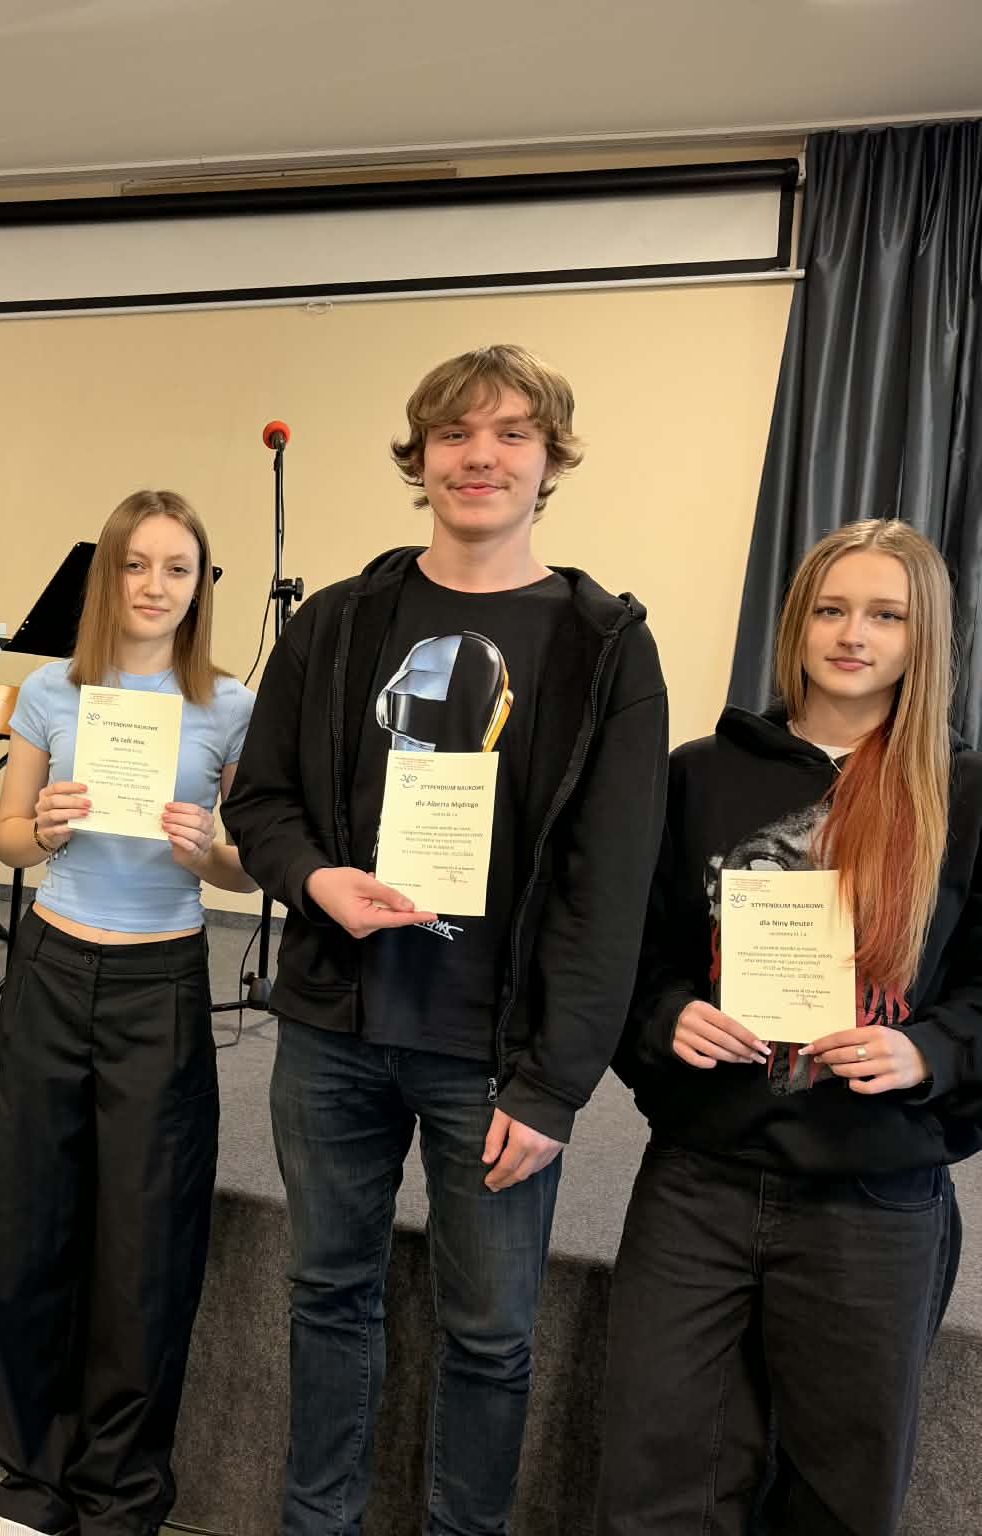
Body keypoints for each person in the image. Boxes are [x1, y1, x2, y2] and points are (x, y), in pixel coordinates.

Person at [221, 344, 668, 1535]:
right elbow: (258, 802)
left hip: (496, 1055)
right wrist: (316, 880)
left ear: (548, 459)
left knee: (489, 1333)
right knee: (326, 1297)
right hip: (335, 1031)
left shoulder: (604, 645)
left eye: (511, 433)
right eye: (454, 434)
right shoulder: (337, 623)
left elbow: (610, 883)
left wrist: (553, 1080)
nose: (480, 456)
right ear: (418, 457)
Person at [598, 519, 982, 1536]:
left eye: (885, 615)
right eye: (832, 610)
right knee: (655, 1484)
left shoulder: (976, 796)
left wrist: (927, 1050)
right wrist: (667, 1015)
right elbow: (628, 957)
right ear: (796, 622)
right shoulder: (700, 776)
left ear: (922, 636)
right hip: (698, 1184)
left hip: (873, 1199)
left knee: (840, 1499)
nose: (853, 635)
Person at [0, 491, 255, 1536]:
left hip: (160, 981)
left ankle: (122, 1494)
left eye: (177, 568)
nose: (154, 586)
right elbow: (7, 837)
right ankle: (30, 1484)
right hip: (52, 969)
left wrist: (208, 850)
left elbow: (246, 867)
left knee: (146, 1249)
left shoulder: (229, 705)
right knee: (32, 1229)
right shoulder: (53, 691)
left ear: (199, 586)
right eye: (135, 564)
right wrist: (43, 827)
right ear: (107, 575)